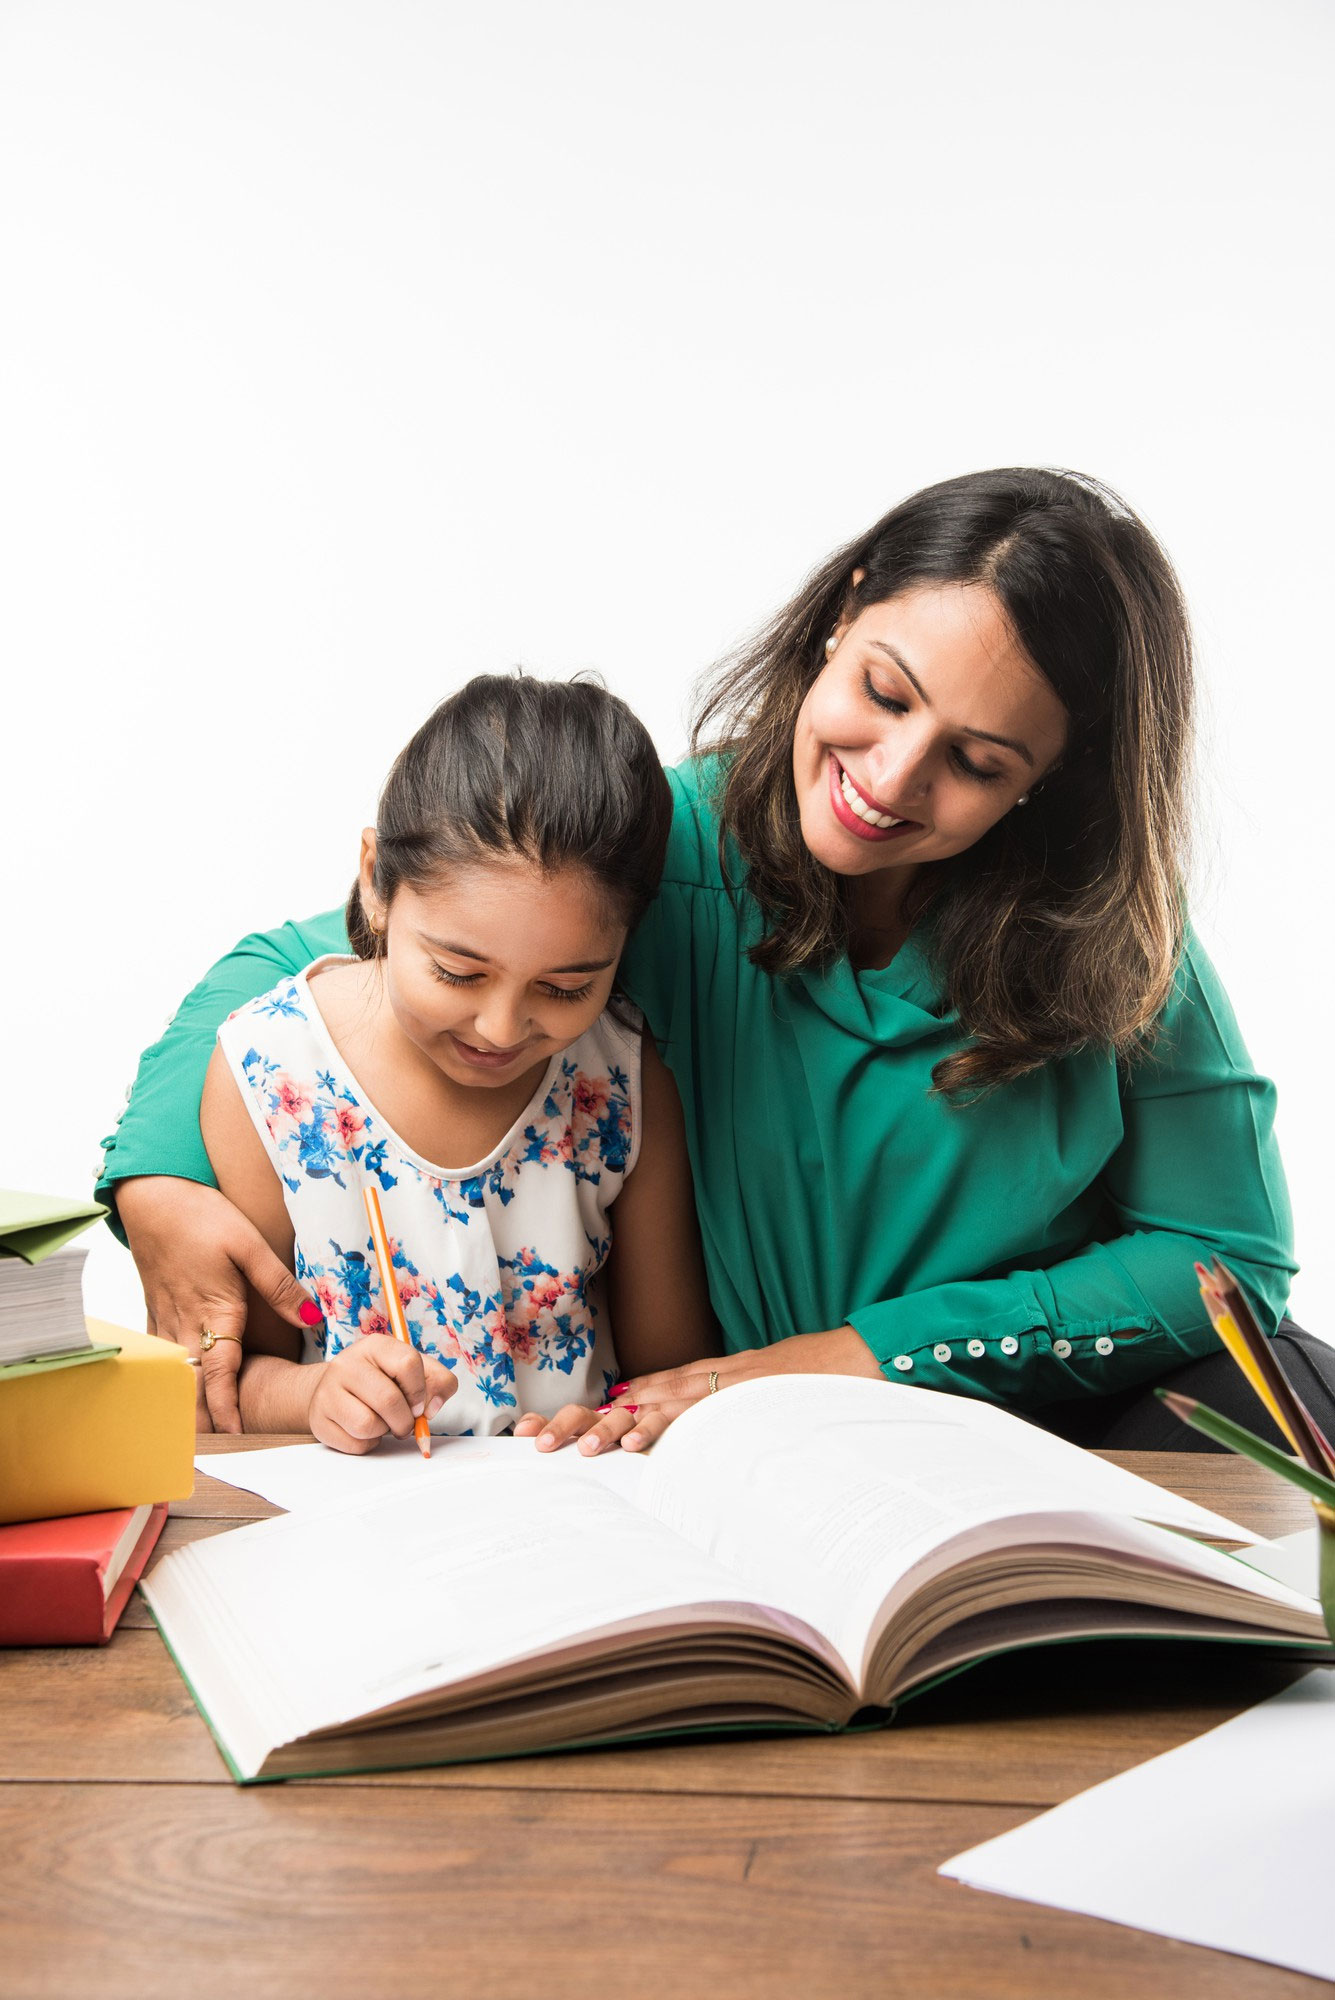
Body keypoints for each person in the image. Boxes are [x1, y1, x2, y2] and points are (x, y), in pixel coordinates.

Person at [101, 469, 1331, 1455]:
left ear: (1055, 775)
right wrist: (154, 1180)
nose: (890, 779)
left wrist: (863, 1351)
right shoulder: (663, 843)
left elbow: (1228, 1256)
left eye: (980, 761)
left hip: (1023, 1439)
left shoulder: (1114, 940)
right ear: (843, 610)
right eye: (883, 691)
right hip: (707, 1457)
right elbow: (319, 956)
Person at [172, 673, 713, 1450]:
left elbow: (671, 1371)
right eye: (458, 973)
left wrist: (617, 1420)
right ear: (375, 880)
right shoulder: (270, 1072)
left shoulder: (619, 1077)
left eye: (566, 987)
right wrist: (317, 1391)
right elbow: (237, 1379)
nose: (499, 1028)